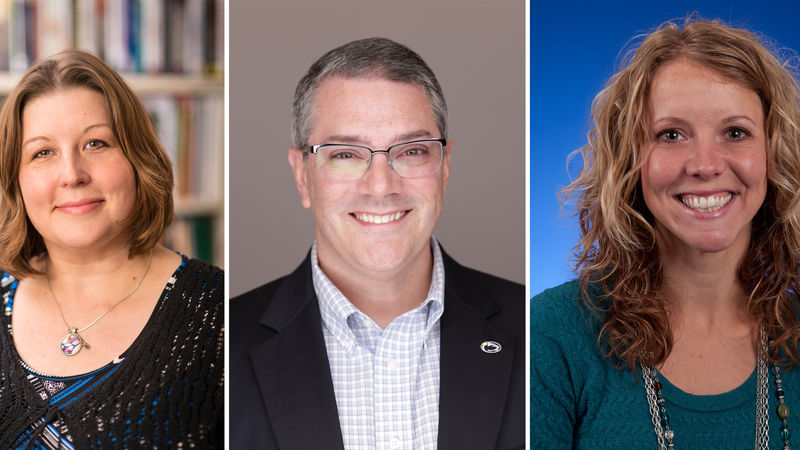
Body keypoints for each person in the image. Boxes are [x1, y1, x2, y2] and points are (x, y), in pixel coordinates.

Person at [230, 37, 524, 449]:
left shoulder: (533, 332)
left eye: (413, 151)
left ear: (444, 167)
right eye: (346, 154)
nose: (382, 185)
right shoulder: (220, 346)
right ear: (302, 174)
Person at [531, 18, 800, 449]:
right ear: (630, 160)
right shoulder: (550, 338)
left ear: (774, 153)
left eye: (736, 132)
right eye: (671, 135)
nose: (705, 165)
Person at [0, 50, 223, 448]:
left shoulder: (218, 315)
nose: (72, 174)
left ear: (139, 158)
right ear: (16, 181)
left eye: (96, 143)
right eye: (42, 152)